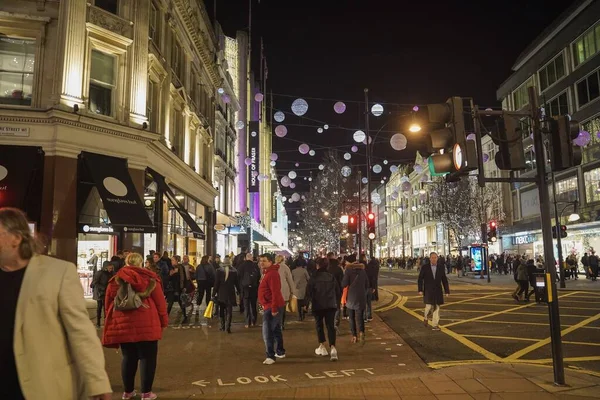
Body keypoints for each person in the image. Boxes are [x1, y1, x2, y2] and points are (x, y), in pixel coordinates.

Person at [0, 207, 111, 400]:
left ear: (16, 238)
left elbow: (81, 333)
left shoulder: (58, 273)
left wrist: (97, 383)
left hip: (42, 387)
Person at [103, 252, 168, 400]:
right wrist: (163, 321)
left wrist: (112, 320)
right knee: (147, 358)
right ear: (140, 263)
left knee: (128, 358)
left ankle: (128, 392)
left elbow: (108, 303)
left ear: (126, 263)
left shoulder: (116, 280)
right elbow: (160, 303)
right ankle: (146, 393)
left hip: (123, 325)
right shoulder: (151, 279)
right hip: (148, 324)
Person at [305, 258, 340, 361]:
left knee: (319, 325)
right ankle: (333, 348)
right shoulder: (331, 277)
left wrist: (305, 305)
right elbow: (338, 291)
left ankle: (322, 346)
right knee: (330, 326)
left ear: (317, 265)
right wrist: (337, 303)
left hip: (318, 304)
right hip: (331, 305)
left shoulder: (314, 277)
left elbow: (308, 292)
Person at [258, 253, 286, 365]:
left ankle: (270, 355)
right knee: (275, 329)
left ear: (270, 262)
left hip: (272, 306)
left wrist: (274, 308)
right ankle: (280, 351)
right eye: (260, 261)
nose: (261, 263)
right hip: (270, 305)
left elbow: (275, 292)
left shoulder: (272, 274)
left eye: (264, 261)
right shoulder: (267, 273)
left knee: (267, 331)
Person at [417, 252, 450, 331]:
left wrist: (447, 291)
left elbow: (444, 280)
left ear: (437, 258)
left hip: (438, 290)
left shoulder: (441, 267)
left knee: (437, 307)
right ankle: (426, 317)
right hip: (428, 290)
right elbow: (420, 279)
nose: (434, 259)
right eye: (432, 257)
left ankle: (435, 325)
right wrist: (420, 290)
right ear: (430, 258)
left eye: (435, 257)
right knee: (428, 307)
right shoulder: (425, 267)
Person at [342, 254, 368, 344]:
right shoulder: (362, 271)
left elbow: (344, 284)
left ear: (350, 262)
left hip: (351, 297)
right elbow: (367, 284)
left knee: (351, 317)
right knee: (360, 316)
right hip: (361, 297)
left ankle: (354, 336)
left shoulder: (348, 271)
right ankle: (361, 332)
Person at [212, 256, 240, 333]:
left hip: (221, 294)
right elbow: (237, 284)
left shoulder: (219, 271)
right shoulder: (234, 272)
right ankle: (228, 327)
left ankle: (222, 326)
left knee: (222, 310)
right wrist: (239, 292)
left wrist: (213, 294)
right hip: (230, 293)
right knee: (229, 311)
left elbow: (216, 284)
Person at [238, 253, 261, 327]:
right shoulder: (255, 266)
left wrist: (240, 288)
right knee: (253, 305)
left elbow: (238, 278)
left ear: (245, 258)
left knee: (246, 306)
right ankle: (253, 321)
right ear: (251, 258)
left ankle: (247, 322)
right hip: (254, 289)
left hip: (245, 289)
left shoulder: (241, 266)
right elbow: (258, 277)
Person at [92, 260, 114, 328]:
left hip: (106, 292)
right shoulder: (99, 273)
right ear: (106, 267)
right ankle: (98, 322)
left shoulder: (111, 273)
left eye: (111, 268)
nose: (110, 270)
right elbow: (95, 283)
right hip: (99, 292)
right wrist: (103, 287)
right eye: (109, 268)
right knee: (99, 307)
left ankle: (106, 321)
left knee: (106, 307)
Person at [166, 256, 188, 324]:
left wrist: (184, 287)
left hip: (179, 288)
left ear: (177, 261)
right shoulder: (170, 268)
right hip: (172, 289)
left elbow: (184, 277)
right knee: (170, 304)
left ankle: (185, 317)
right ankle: (165, 318)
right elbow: (167, 278)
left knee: (181, 303)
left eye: (173, 260)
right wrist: (171, 274)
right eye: (171, 260)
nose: (171, 261)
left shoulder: (181, 268)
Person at [276, 254, 295, 330]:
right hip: (284, 290)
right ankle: (281, 323)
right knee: (282, 308)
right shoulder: (286, 267)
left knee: (275, 307)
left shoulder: (272, 267)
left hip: (274, 290)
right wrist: (292, 291)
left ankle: (276, 323)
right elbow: (290, 280)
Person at [327, 252, 344, 330]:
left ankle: (330, 322)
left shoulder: (326, 269)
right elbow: (342, 280)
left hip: (328, 290)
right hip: (337, 290)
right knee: (337, 306)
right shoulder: (338, 269)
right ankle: (336, 322)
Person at [365, 256, 380, 322]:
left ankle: (364, 317)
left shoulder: (367, 267)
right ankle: (369, 316)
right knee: (368, 302)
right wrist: (374, 287)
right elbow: (373, 278)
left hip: (364, 287)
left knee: (363, 303)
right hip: (370, 286)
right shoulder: (376, 265)